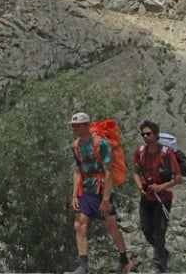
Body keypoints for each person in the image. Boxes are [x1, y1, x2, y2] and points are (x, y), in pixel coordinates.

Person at [69, 112, 133, 274]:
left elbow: (109, 172)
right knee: (79, 224)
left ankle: (124, 259)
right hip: (86, 190)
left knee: (110, 227)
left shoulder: (101, 144)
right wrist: (74, 195)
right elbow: (77, 171)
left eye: (77, 125)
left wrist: (105, 199)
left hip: (101, 189)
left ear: (86, 125)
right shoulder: (76, 146)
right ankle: (83, 267)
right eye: (73, 126)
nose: (75, 128)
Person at [134, 120, 182, 273]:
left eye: (148, 134)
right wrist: (140, 186)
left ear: (156, 135)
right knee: (146, 230)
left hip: (163, 198)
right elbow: (135, 172)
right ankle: (163, 254)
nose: (145, 137)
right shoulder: (140, 152)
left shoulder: (166, 153)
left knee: (159, 232)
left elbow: (178, 178)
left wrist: (160, 187)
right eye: (143, 134)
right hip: (146, 198)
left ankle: (157, 265)